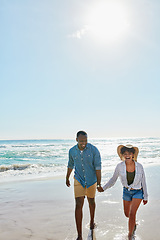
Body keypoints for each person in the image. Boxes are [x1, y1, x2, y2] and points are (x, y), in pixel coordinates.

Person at [98, 144, 148, 240]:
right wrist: (103, 188)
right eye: (125, 153)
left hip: (138, 192)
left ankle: (130, 235)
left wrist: (145, 196)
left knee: (132, 213)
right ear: (122, 155)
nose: (127, 155)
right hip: (126, 192)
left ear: (133, 155)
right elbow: (113, 180)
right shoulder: (119, 166)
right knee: (127, 214)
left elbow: (144, 182)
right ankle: (133, 223)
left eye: (129, 153)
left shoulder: (140, 166)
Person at [66, 131, 102, 240]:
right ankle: (79, 235)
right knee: (78, 205)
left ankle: (91, 221)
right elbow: (70, 164)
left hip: (91, 180)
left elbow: (98, 167)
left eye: (85, 140)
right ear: (76, 139)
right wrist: (67, 177)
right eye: (81, 141)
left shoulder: (94, 150)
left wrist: (99, 183)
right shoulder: (72, 151)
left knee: (91, 201)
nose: (84, 143)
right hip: (79, 180)